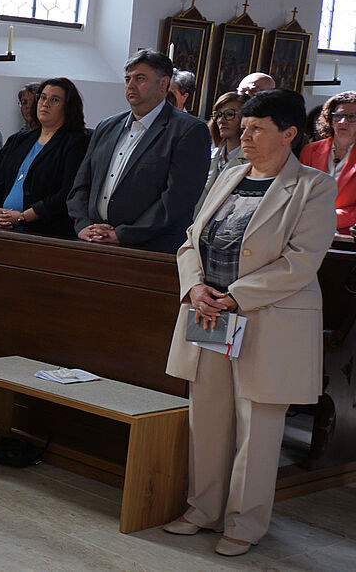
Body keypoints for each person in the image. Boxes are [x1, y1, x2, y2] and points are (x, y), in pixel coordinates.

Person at [164, 89, 336, 557]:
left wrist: (235, 298)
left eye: (257, 128)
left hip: (268, 319)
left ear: (289, 134)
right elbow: (190, 241)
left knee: (258, 425)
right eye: (244, 127)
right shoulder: (230, 176)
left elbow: (301, 262)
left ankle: (244, 523)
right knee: (208, 414)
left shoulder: (314, 187)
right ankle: (202, 509)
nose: (246, 136)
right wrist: (196, 287)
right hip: (210, 313)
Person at [66, 49, 211, 252]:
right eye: (127, 79)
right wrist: (83, 226)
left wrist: (123, 234)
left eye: (140, 78)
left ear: (163, 83)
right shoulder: (106, 127)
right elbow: (81, 186)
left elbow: (178, 199)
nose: (131, 85)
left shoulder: (188, 130)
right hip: (95, 241)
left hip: (150, 248)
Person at [0, 77, 90, 236]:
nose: (45, 103)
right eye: (42, 97)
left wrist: (23, 217)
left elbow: (67, 192)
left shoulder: (76, 142)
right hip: (2, 228)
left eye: (55, 100)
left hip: (44, 232)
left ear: (68, 107)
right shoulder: (20, 140)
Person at [299, 91, 356, 232]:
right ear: (329, 119)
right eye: (338, 116)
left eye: (352, 117)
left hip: (346, 233)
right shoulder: (310, 150)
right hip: (304, 229)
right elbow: (298, 192)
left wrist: (326, 218)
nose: (343, 122)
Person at [195, 92, 248, 214]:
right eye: (218, 115)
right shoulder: (209, 155)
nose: (221, 121)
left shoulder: (251, 161)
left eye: (229, 114)